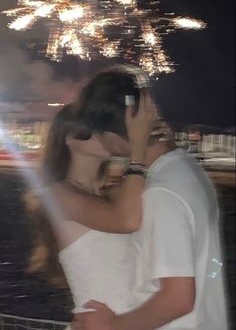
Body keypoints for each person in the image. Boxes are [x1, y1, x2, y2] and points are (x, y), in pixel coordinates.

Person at [71, 65, 229, 330]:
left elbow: (178, 299)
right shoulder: (186, 167)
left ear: (110, 136)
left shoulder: (160, 193)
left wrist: (113, 326)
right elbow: (212, 264)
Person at [25, 87, 161, 314]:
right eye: (94, 128)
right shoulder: (59, 196)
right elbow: (127, 221)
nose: (104, 133)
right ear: (69, 138)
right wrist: (137, 150)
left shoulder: (111, 192)